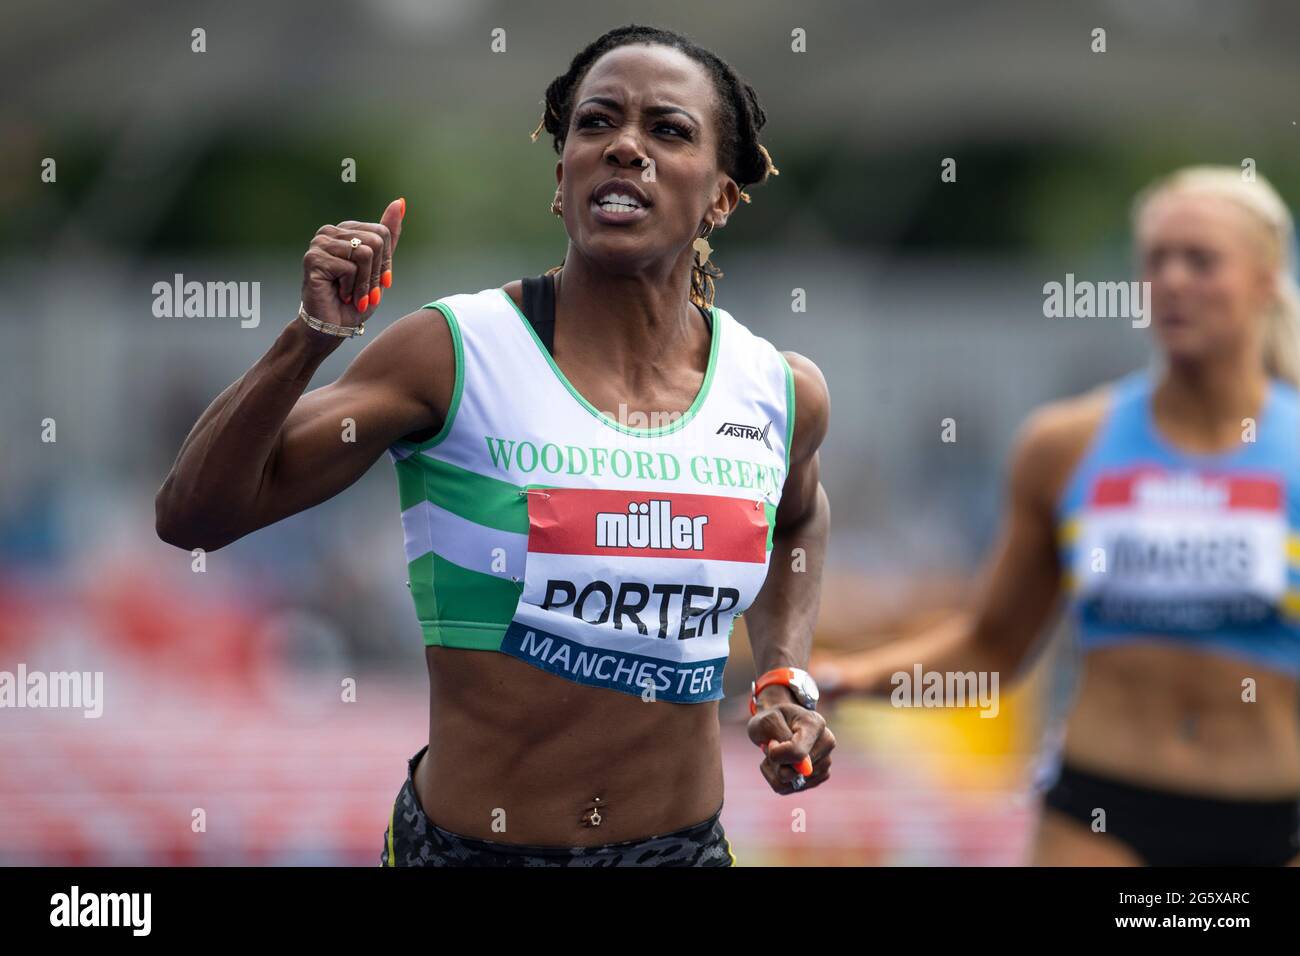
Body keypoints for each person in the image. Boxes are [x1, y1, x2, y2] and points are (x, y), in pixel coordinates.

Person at [156, 24, 835, 867]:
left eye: (667, 130)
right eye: (596, 124)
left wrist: (783, 677)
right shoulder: (453, 352)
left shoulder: (778, 390)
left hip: (684, 850)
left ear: (722, 198)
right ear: (562, 181)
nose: (625, 146)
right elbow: (193, 516)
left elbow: (798, 519)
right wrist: (311, 336)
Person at [813, 166, 1300, 866]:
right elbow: (992, 646)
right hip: (1101, 815)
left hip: (1270, 823)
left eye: (1201, 260)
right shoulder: (1066, 445)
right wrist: (845, 678)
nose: (1173, 280)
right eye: (1156, 260)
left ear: (1265, 278)